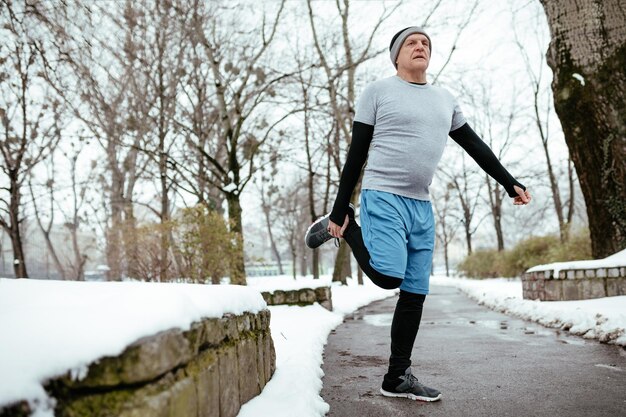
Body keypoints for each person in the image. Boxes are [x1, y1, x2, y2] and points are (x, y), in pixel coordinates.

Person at [305, 26, 532, 402]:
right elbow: (356, 152)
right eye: (411, 42)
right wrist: (340, 205)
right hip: (383, 195)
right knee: (387, 275)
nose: (420, 46)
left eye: (425, 43)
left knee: (414, 294)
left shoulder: (444, 99)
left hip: (421, 205)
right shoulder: (378, 92)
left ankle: (396, 377)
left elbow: (476, 145)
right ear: (396, 55)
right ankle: (346, 229)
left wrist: (509, 183)